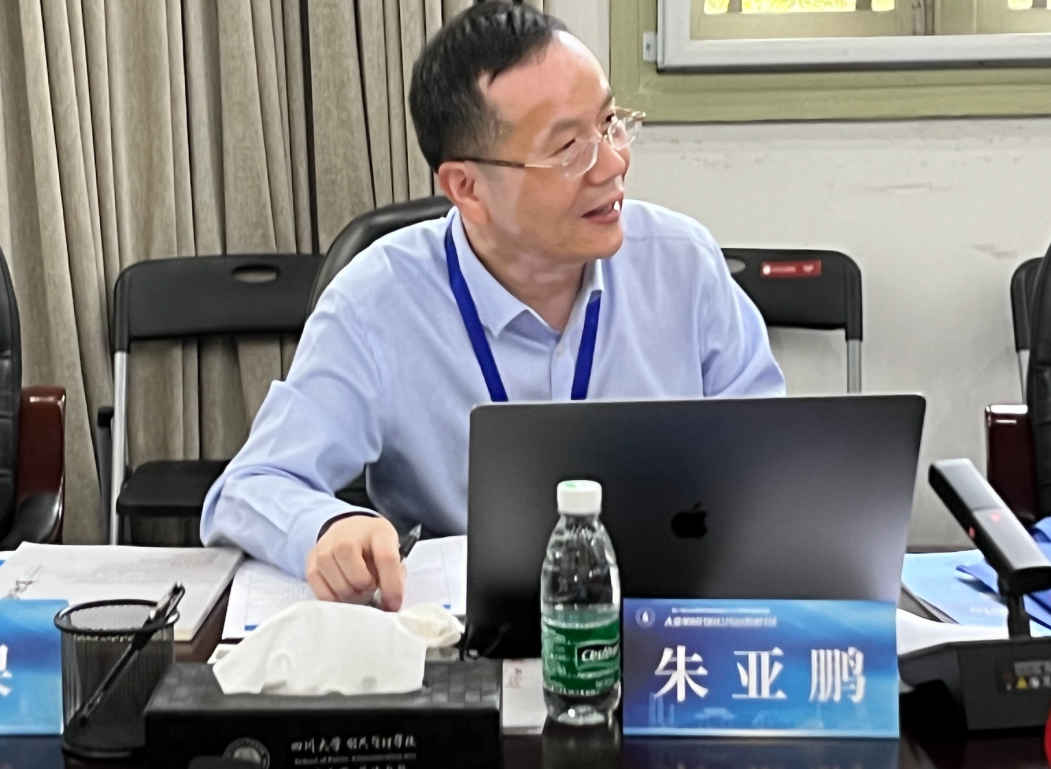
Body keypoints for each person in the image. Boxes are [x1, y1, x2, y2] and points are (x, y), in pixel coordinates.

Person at [200, 2, 784, 610]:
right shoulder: (377, 302)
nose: (614, 163)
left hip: (667, 617)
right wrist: (329, 528)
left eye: (610, 123)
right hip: (466, 632)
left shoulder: (682, 264)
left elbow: (773, 455)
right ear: (467, 187)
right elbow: (251, 486)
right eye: (569, 148)